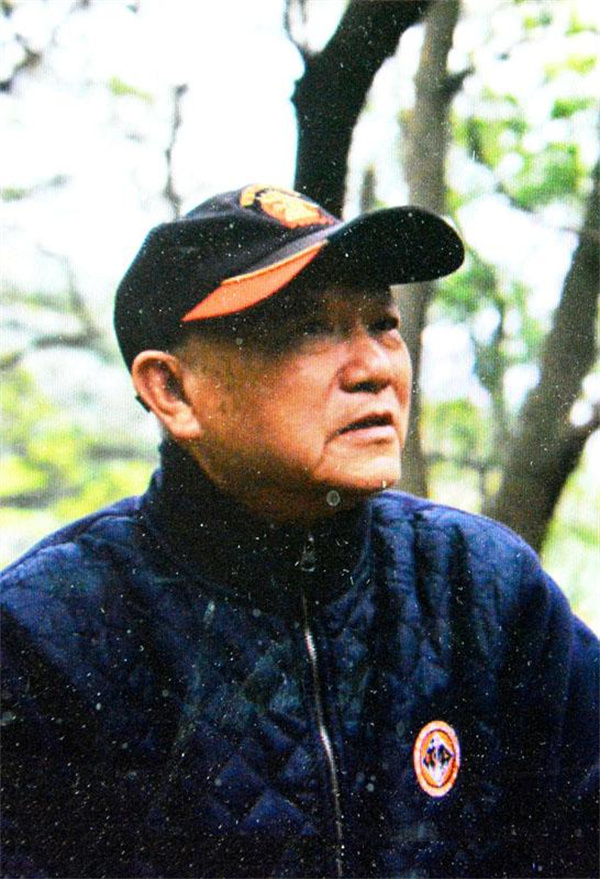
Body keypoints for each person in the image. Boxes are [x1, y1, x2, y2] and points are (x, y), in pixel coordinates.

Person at [1, 184, 598, 879]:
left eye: (383, 323)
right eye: (310, 329)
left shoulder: (482, 586)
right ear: (173, 390)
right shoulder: (48, 636)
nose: (374, 368)